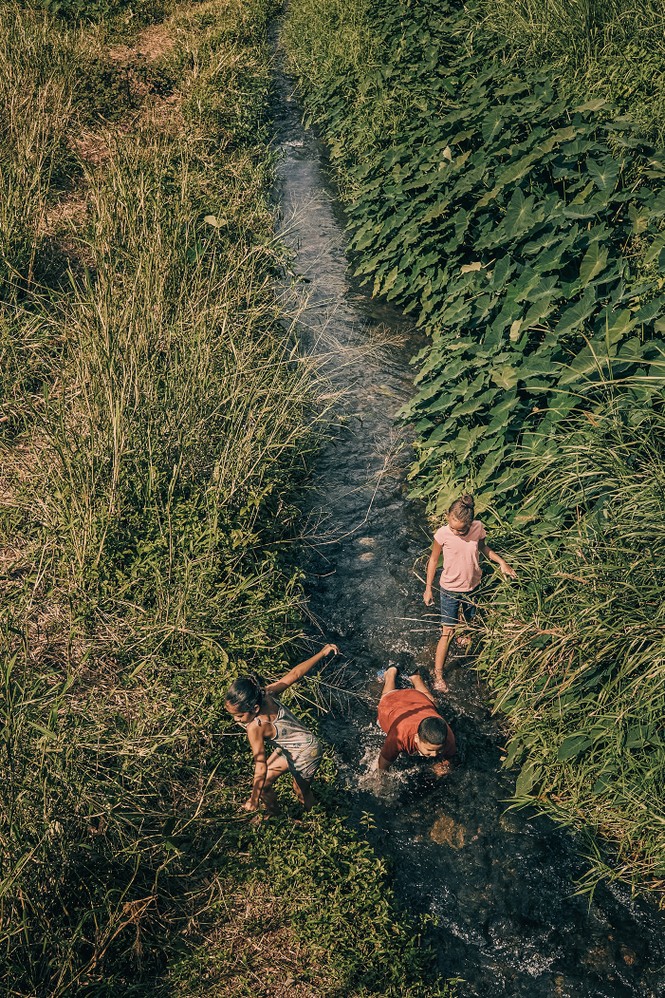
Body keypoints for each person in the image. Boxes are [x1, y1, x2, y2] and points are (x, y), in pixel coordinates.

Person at [225, 643, 339, 815]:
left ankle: (316, 819)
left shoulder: (255, 728)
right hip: (293, 745)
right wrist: (322, 653)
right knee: (264, 785)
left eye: (240, 716)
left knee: (301, 792)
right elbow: (295, 674)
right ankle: (273, 814)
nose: (236, 719)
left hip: (306, 752)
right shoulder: (267, 693)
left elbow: (260, 765)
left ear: (254, 709)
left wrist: (253, 799)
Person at [423, 493, 516, 692]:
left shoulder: (477, 528)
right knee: (447, 631)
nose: (457, 532)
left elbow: (483, 548)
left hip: (472, 586)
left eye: (461, 529)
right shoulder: (443, 534)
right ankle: (438, 673)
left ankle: (463, 637)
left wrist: (502, 562)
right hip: (450, 589)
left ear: (470, 523)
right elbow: (432, 560)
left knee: (470, 622)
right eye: (453, 528)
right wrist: (428, 588)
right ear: (448, 517)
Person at [376, 665, 456, 771]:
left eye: (439, 750)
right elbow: (382, 765)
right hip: (392, 703)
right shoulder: (398, 737)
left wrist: (443, 768)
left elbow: (450, 759)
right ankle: (391, 673)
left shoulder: (447, 736)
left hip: (418, 698)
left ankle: (416, 677)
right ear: (416, 738)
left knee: (432, 703)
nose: (434, 755)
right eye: (429, 750)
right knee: (387, 696)